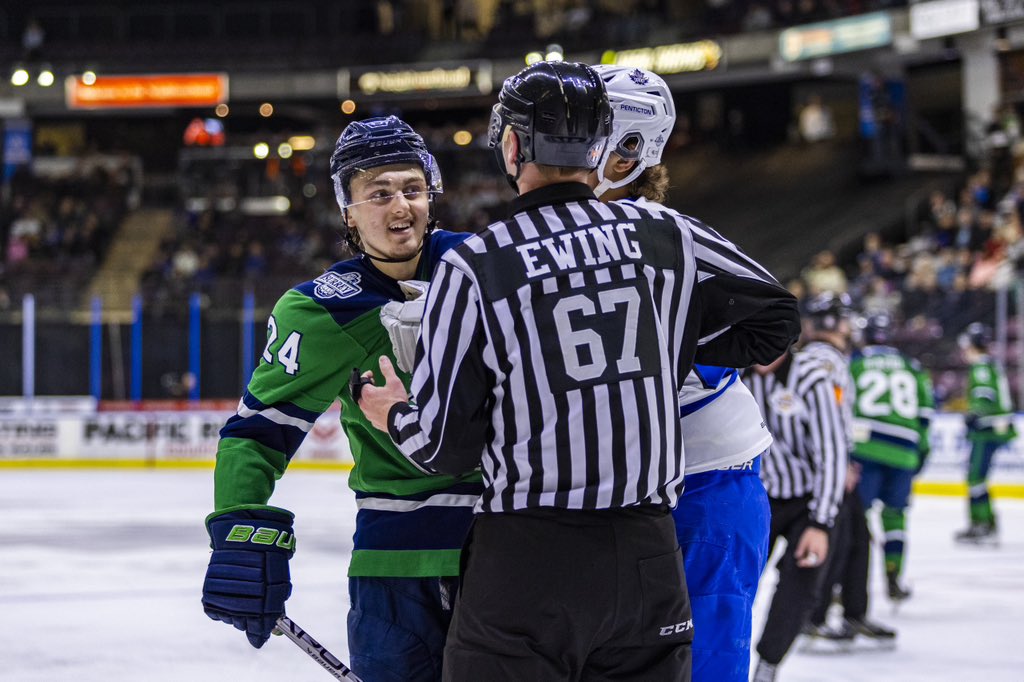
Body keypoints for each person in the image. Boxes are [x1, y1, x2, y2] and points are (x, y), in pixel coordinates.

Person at [357, 61, 802, 681]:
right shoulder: (666, 235)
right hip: (650, 533)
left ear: (511, 146)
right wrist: (656, 351)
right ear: (600, 147)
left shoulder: (479, 261)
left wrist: (392, 412)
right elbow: (777, 318)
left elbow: (442, 443)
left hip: (542, 542)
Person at [200, 115, 483, 682]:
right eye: (378, 194)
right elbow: (257, 435)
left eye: (412, 188)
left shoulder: (490, 267)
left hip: (507, 549)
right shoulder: (321, 310)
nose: (400, 207)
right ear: (347, 211)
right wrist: (238, 527)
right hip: (395, 569)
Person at [589, 63, 773, 682]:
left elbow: (775, 318)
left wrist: (667, 357)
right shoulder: (574, 236)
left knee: (706, 667)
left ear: (625, 151)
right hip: (636, 492)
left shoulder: (664, 234)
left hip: (704, 483)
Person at [744, 341, 849, 682]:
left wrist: (821, 522)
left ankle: (768, 663)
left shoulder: (810, 379)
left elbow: (831, 454)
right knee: (734, 580)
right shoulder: (735, 374)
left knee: (800, 581)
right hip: (756, 495)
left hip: (809, 500)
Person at [800, 293, 896, 646]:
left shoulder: (817, 357)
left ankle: (853, 612)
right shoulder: (830, 362)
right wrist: (839, 465)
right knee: (835, 541)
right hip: (826, 470)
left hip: (831, 465)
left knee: (856, 540)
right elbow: (829, 422)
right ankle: (814, 615)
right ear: (840, 324)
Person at [848, 312, 934, 602]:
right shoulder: (911, 366)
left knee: (855, 519)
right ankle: (894, 577)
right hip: (905, 451)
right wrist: (920, 451)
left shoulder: (856, 363)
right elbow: (925, 413)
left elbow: (842, 405)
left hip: (865, 449)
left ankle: (843, 584)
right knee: (895, 516)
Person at [954, 322, 1016, 544]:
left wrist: (974, 414)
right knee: (978, 477)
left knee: (975, 477)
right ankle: (986, 523)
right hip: (994, 428)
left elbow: (984, 398)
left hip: (986, 430)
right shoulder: (989, 365)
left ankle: (982, 524)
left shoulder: (981, 367)